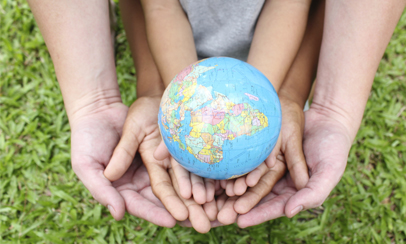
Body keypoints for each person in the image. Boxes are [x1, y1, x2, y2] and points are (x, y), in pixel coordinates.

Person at [103, 0, 315, 232]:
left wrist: (263, 100)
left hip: (269, 62)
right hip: (180, 53)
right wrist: (187, 99)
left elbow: (289, 5)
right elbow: (160, 7)